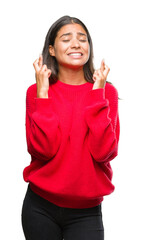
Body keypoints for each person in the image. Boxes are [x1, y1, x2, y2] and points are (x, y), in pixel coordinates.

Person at [21, 15, 120, 240]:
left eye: (82, 39)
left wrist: (97, 95)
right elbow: (42, 150)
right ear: (52, 50)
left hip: (86, 212)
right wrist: (43, 95)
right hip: (39, 207)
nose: (76, 44)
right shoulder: (35, 91)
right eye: (66, 38)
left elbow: (104, 152)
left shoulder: (106, 93)